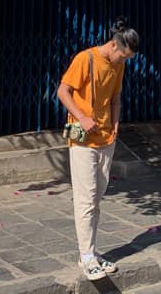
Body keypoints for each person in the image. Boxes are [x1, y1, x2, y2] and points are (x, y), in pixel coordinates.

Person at [57, 18, 140, 281]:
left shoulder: (119, 66)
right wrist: (81, 117)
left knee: (96, 197)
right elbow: (63, 91)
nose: (123, 61)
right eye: (123, 56)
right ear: (114, 45)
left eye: (128, 58)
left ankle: (91, 252)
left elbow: (116, 98)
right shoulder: (86, 59)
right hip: (83, 140)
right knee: (86, 198)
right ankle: (86, 257)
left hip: (107, 138)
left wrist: (115, 125)